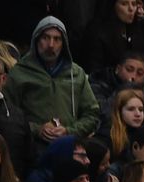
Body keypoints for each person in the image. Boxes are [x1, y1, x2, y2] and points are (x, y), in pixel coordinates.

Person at [7, 17, 101, 163]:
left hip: (71, 146)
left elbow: (92, 114)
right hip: (32, 148)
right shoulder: (19, 73)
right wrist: (37, 129)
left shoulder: (76, 73)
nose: (51, 45)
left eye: (57, 39)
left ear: (64, 44)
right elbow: (8, 114)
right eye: (46, 38)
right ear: (37, 39)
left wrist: (69, 131)